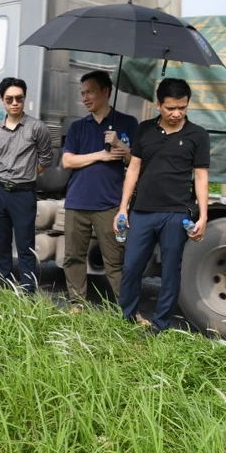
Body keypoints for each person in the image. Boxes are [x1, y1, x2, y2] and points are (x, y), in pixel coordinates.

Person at [114, 78, 210, 335]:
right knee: (132, 266)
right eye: (170, 108)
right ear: (158, 105)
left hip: (176, 212)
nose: (177, 113)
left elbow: (201, 176)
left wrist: (203, 216)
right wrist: (123, 208)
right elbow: (133, 169)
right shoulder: (144, 130)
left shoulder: (198, 135)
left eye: (182, 107)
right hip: (142, 210)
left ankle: (160, 325)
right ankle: (126, 316)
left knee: (170, 271)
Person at [60, 71, 138, 311]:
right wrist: (101, 155)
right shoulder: (77, 127)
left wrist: (119, 144)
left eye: (90, 92)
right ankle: (77, 304)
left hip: (110, 204)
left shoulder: (127, 123)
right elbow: (67, 162)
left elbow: (135, 162)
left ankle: (127, 310)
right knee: (73, 257)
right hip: (77, 201)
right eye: (82, 93)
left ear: (106, 92)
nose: (85, 98)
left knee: (115, 260)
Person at [0, 77, 53, 292]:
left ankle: (27, 293)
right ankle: (3, 288)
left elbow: (45, 159)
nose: (15, 103)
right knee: (1, 245)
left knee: (25, 247)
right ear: (2, 101)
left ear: (24, 99)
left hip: (23, 194)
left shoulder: (36, 127)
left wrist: (26, 175)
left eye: (19, 98)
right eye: (9, 99)